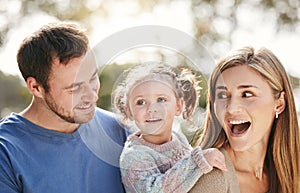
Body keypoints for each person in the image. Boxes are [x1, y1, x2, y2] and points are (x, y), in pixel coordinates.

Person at [0, 22, 129, 193]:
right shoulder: (6, 152)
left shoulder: (121, 131)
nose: (91, 96)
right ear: (36, 87)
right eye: (74, 88)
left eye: (92, 78)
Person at [189, 46, 300, 193]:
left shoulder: (290, 174)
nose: (231, 108)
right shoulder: (210, 177)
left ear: (279, 104)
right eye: (222, 95)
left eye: (247, 94)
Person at [113, 63, 227, 193]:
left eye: (161, 100)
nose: (152, 109)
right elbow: (155, 190)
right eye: (141, 102)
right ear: (129, 111)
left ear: (178, 106)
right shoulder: (134, 156)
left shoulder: (178, 139)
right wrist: (198, 161)